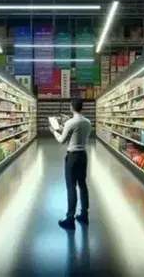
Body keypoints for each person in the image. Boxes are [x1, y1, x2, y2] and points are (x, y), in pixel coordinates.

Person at [49, 98, 92, 230]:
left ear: (71, 107)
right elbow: (76, 134)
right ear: (81, 108)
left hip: (72, 157)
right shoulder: (87, 122)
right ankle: (84, 215)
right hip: (83, 156)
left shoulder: (70, 122)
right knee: (83, 184)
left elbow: (62, 140)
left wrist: (55, 131)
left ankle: (70, 219)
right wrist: (64, 127)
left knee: (71, 187)